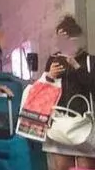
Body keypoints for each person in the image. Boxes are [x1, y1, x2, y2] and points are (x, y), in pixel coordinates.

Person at [41, 15, 95, 167]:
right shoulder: (54, 61)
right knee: (61, 164)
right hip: (59, 124)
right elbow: (44, 92)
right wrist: (49, 76)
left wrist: (76, 66)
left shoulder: (89, 61)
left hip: (84, 126)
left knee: (86, 165)